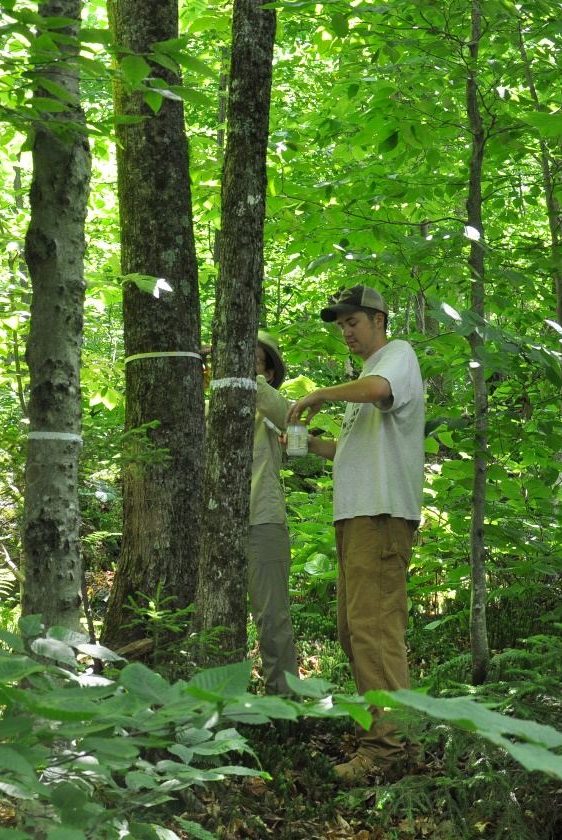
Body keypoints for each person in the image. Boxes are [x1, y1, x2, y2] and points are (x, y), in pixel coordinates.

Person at [285, 285, 425, 781]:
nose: (345, 331)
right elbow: (351, 449)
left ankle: (386, 753)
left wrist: (320, 392)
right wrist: (306, 442)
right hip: (355, 518)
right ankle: (390, 734)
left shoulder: (396, 358)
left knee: (375, 630)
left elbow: (379, 392)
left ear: (379, 320)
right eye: (341, 325)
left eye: (353, 322)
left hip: (382, 516)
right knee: (354, 631)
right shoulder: (365, 377)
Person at [249, 331, 298, 695]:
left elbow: (288, 419)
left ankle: (284, 706)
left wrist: (244, 377)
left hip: (262, 519)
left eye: (253, 358)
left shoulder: (271, 404)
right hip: (213, 524)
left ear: (268, 370)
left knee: (272, 619)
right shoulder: (208, 406)